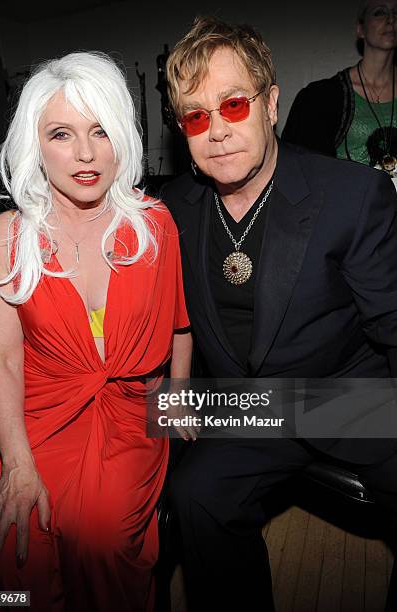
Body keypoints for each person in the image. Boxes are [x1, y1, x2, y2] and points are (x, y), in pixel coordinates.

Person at [161, 15, 397, 612]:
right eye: (196, 116)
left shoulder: (352, 194)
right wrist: (177, 387)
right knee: (195, 493)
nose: (216, 131)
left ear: (270, 104)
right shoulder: (173, 208)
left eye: (233, 104)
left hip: (351, 395)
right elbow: (166, 311)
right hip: (246, 401)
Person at [0, 51, 191, 612]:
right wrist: (17, 463)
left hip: (126, 415)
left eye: (100, 130)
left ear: (123, 136)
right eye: (62, 134)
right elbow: (0, 360)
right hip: (31, 417)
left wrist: (180, 396)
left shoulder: (155, 226)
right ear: (35, 146)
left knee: (105, 539)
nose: (86, 154)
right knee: (14, 547)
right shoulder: (6, 237)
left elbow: (180, 327)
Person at [282, 0, 397, 179]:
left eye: (396, 12)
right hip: (348, 204)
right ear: (360, 29)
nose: (391, 19)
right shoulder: (320, 99)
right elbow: (296, 172)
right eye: (379, 12)